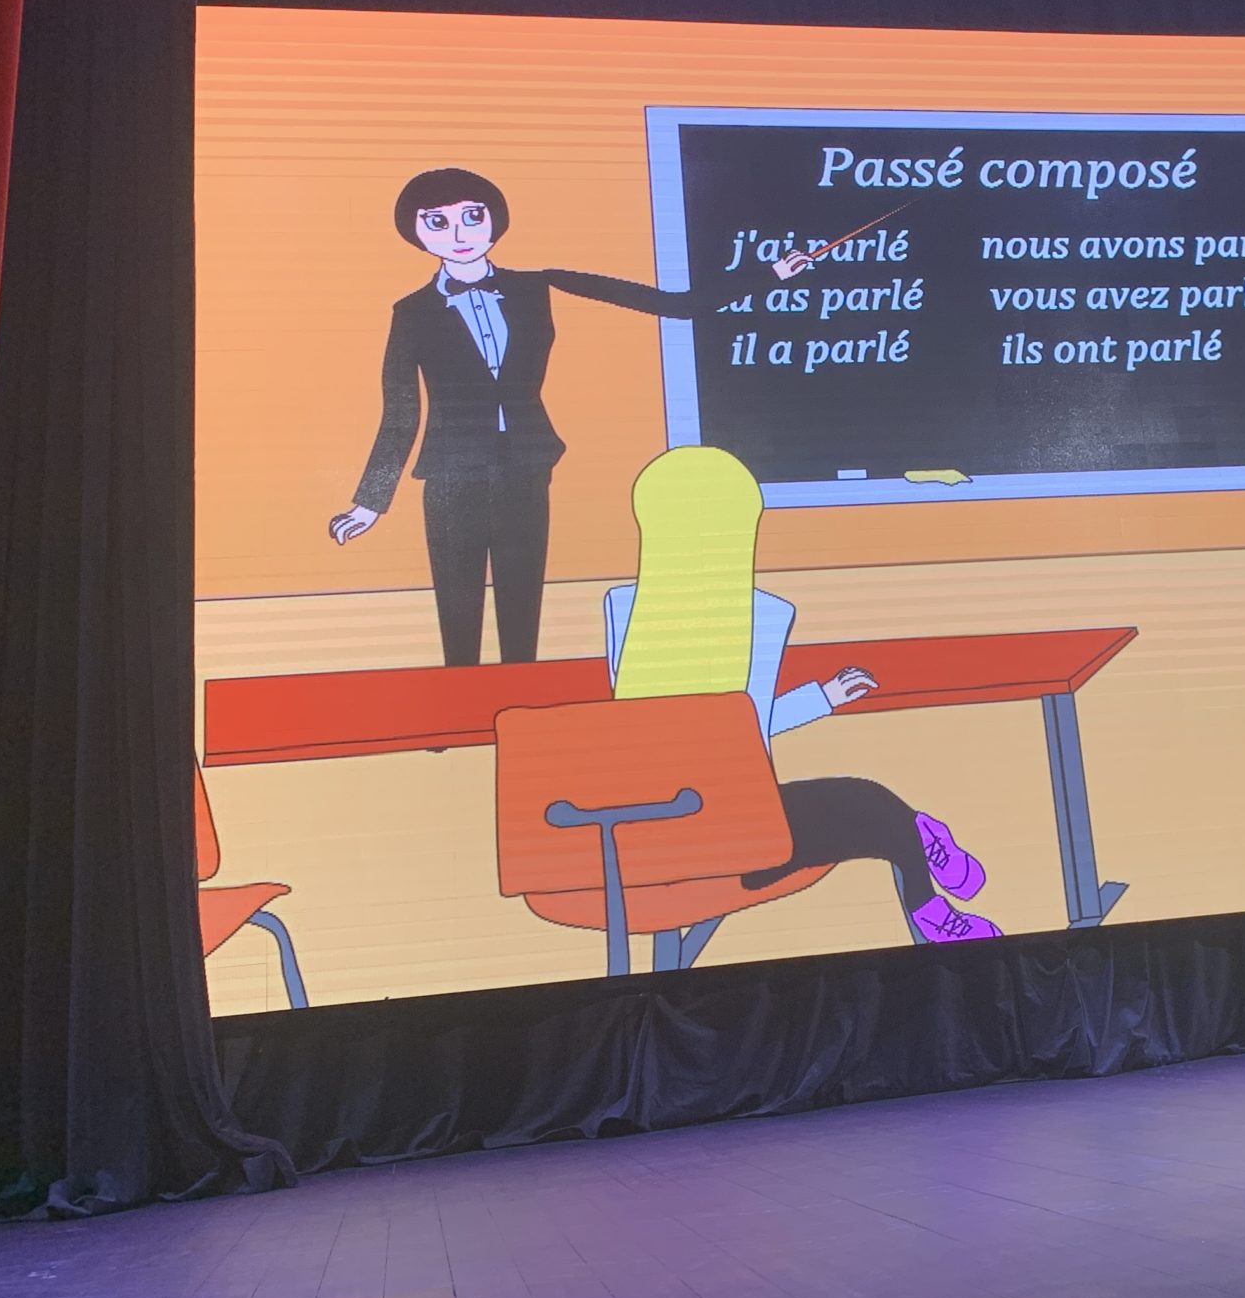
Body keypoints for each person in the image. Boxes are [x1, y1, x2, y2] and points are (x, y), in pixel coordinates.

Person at [603, 445, 1002, 943]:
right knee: (876, 808)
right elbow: (745, 723)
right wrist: (822, 698)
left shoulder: (623, 608)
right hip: (741, 844)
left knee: (869, 805)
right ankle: (923, 871)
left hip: (650, 842)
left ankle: (920, 844)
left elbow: (725, 723)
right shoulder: (761, 613)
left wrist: (824, 695)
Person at [328, 166, 701, 668]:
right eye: (437, 222)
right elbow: (400, 410)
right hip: (451, 474)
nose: (459, 234)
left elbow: (675, 306)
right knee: (458, 609)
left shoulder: (535, 287)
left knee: (522, 607)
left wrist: (772, 275)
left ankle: (521, 703)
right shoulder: (411, 311)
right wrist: (370, 501)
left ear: (495, 220)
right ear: (414, 232)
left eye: (472, 216)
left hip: (525, 466)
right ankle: (462, 704)